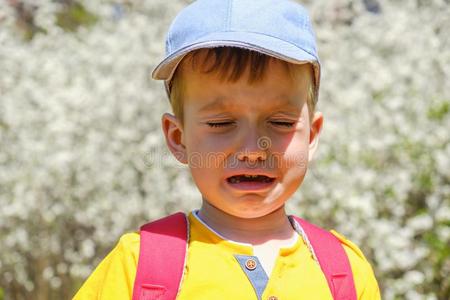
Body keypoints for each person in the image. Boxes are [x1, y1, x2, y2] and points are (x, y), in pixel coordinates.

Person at [73, 0, 380, 299]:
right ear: (179, 138)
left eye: (281, 122)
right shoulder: (139, 265)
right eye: (221, 123)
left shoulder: (345, 272)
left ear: (311, 135)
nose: (252, 150)